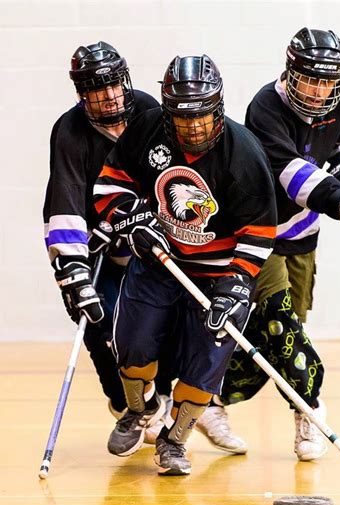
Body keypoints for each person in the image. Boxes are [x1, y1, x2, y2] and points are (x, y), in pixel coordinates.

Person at [216, 27, 340, 461]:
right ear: (290, 73)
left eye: (327, 82)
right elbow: (294, 175)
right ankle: (310, 408)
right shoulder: (265, 106)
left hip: (302, 231)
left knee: (284, 330)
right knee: (283, 327)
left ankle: (211, 401)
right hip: (257, 228)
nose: (319, 92)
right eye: (310, 80)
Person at [92, 54, 277, 475]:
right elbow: (109, 184)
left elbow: (261, 231)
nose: (193, 127)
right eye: (182, 118)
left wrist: (237, 284)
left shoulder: (243, 152)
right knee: (132, 348)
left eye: (203, 117)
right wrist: (128, 218)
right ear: (166, 111)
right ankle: (140, 409)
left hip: (219, 276)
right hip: (160, 262)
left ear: (219, 107)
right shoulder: (147, 129)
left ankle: (175, 441)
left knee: (204, 367)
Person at [43, 41, 162, 421]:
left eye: (114, 85)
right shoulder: (69, 131)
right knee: (98, 321)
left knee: (162, 322)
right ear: (82, 94)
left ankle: (165, 396)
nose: (110, 96)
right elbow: (64, 196)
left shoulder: (149, 112)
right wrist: (73, 269)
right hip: (99, 248)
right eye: (98, 89)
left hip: (149, 241)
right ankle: (126, 404)